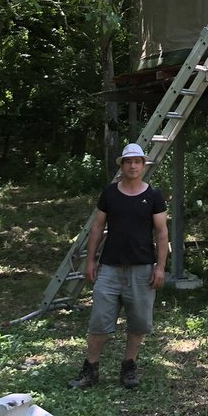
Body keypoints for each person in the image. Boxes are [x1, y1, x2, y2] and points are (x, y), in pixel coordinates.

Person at [69, 142, 168, 390]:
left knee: (138, 323)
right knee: (99, 321)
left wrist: (160, 267)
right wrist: (90, 261)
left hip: (143, 269)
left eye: (137, 162)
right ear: (122, 166)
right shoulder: (110, 193)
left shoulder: (153, 196)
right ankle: (90, 371)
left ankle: (129, 369)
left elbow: (162, 234)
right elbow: (96, 228)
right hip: (110, 268)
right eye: (128, 162)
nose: (133, 166)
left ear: (143, 166)